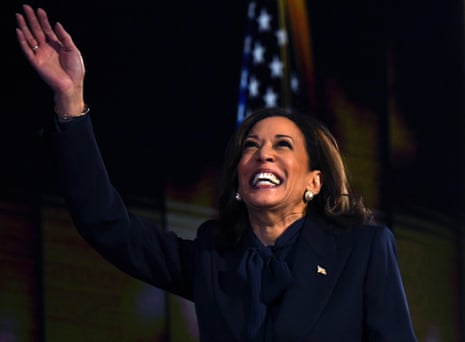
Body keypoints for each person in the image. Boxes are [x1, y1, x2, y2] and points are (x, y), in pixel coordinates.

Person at [16, 4, 417, 341]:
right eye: (251, 146)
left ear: (315, 181)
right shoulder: (214, 258)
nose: (263, 155)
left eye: (283, 145)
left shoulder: (363, 250)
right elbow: (106, 223)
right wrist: (70, 101)